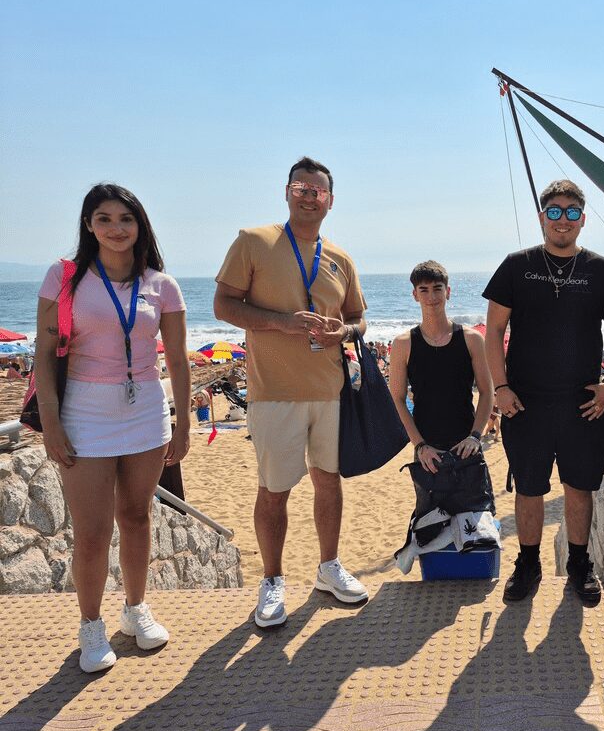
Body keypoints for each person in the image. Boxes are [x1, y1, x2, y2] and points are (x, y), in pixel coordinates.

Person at [33, 183, 190, 673]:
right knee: (92, 531)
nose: (116, 228)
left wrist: (184, 423)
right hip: (84, 412)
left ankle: (135, 609)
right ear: (88, 225)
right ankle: (91, 625)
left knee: (138, 517)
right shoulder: (64, 277)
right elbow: (44, 353)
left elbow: (179, 361)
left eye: (126, 218)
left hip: (145, 410)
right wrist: (51, 423)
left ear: (140, 225)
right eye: (104, 218)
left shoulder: (161, 285)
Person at [214, 157, 368, 629]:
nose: (308, 197)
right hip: (273, 393)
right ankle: (272, 580)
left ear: (330, 201)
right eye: (300, 188)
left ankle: (328, 568)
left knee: (329, 482)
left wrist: (344, 332)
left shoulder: (340, 257)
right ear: (286, 192)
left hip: (330, 392)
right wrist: (283, 323)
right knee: (274, 490)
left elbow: (359, 320)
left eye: (317, 191)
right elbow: (223, 305)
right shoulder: (254, 241)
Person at [484, 179, 604, 607]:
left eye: (571, 212)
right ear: (542, 217)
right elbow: (494, 332)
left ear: (582, 220)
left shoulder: (602, 270)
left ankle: (580, 564)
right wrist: (500, 388)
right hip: (524, 403)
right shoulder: (517, 265)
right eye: (554, 211)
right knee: (529, 489)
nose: (562, 219)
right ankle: (528, 563)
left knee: (578, 488)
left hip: (583, 405)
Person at [388, 260, 494, 470]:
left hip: (467, 445)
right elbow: (397, 399)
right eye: (424, 290)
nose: (431, 297)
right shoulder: (403, 344)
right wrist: (419, 445)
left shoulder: (472, 339)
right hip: (427, 451)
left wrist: (475, 436)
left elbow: (487, 391)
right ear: (415, 295)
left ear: (448, 292)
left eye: (437, 288)